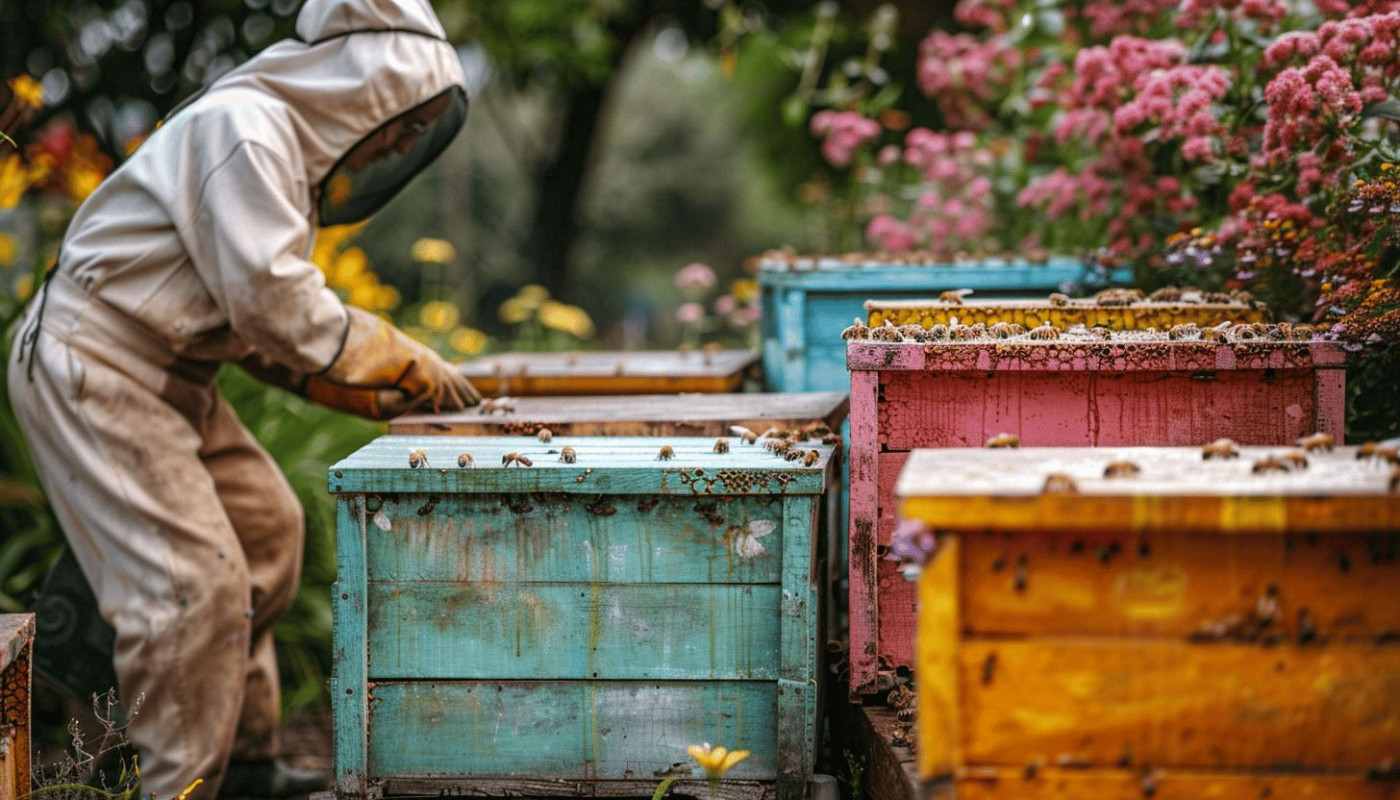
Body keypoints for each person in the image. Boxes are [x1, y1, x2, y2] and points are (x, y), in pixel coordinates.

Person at [7, 0, 480, 796]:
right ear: (367, 86)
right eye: (405, 125)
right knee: (194, 585)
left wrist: (367, 389)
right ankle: (177, 783)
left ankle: (245, 765)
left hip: (170, 375)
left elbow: (253, 330)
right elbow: (271, 301)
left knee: (266, 531)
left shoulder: (276, 151)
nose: (401, 146)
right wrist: (395, 352)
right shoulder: (246, 131)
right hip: (96, 365)